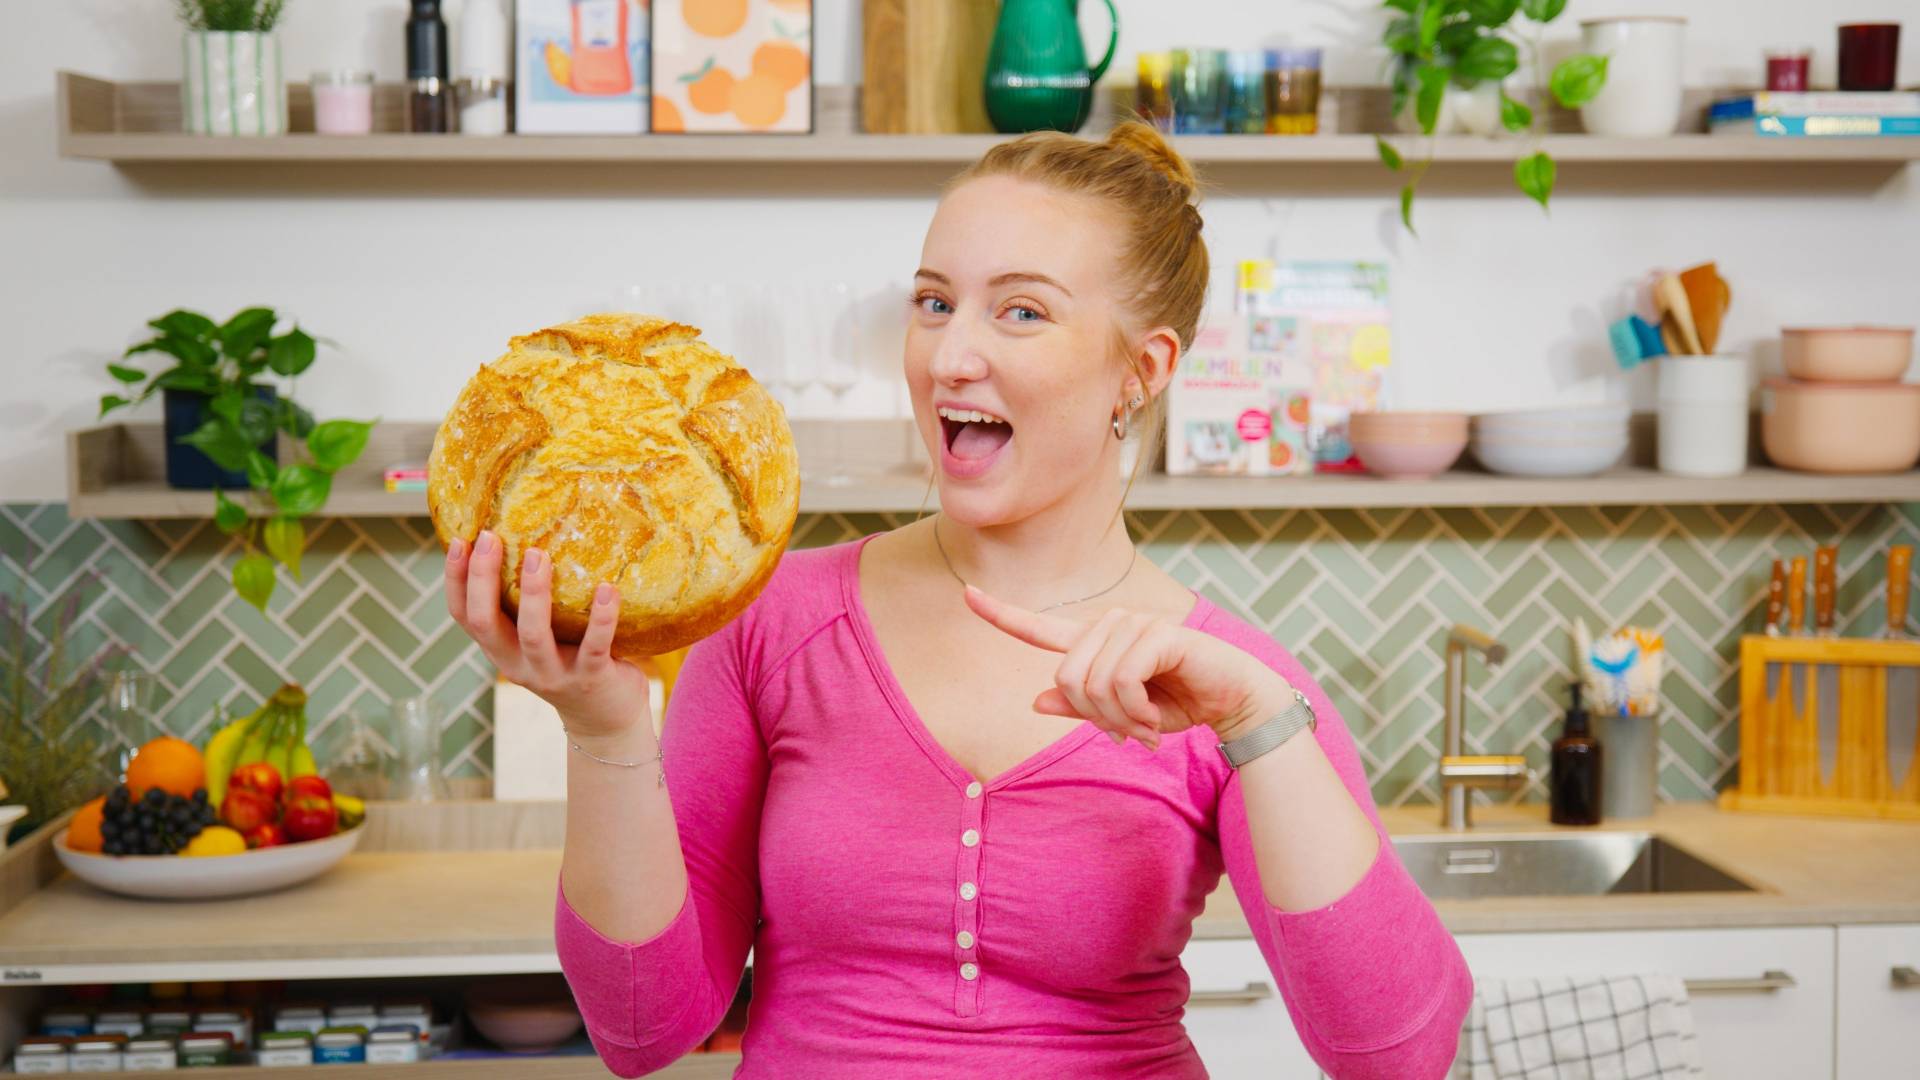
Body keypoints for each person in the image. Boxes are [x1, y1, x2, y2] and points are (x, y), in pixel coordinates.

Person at [443, 121, 1471, 1079]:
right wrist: (606, 731)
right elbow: (642, 1027)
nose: (950, 355)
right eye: (935, 303)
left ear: (1140, 371)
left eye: (1020, 311)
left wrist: (1258, 727)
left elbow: (1397, 1055)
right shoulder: (771, 622)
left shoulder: (1228, 687)